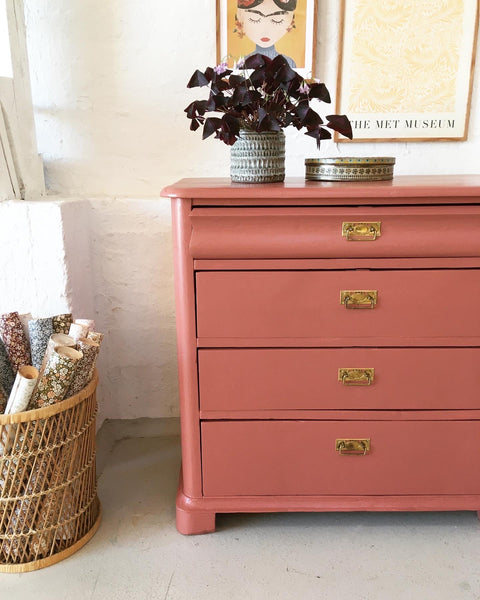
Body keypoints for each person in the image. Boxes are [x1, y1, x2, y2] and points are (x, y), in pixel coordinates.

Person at [235, 0, 297, 67]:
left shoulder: (289, 63)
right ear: (239, 19)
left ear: (290, 21)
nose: (265, 30)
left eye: (277, 21)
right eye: (254, 19)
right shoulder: (242, 63)